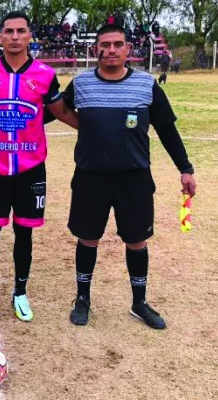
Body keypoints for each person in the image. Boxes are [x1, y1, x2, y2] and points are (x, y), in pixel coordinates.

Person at [62, 24, 196, 329]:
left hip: (134, 179)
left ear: (128, 50)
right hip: (89, 178)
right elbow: (54, 111)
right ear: (95, 49)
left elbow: (167, 130)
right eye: (105, 45)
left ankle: (139, 302)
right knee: (88, 239)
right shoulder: (81, 84)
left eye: (117, 44)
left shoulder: (147, 86)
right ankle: (82, 299)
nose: (111, 50)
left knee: (137, 241)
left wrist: (185, 168)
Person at [0, 11, 78, 321]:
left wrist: (93, 128)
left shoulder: (45, 74)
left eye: (21, 31)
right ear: (0, 37)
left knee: (25, 233)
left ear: (29, 36)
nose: (14, 36)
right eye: (8, 31)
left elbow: (59, 110)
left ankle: (20, 292)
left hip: (31, 167)